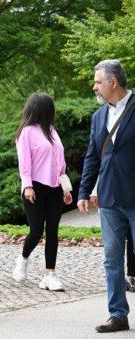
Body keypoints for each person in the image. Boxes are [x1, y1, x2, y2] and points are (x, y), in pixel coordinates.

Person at [78, 59, 135, 333]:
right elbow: (92, 156)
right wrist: (85, 191)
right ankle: (118, 315)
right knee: (111, 259)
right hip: (109, 199)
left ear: (113, 82)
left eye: (98, 82)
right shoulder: (99, 116)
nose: (95, 87)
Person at [11, 93, 73, 291]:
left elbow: (60, 162)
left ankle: (50, 274)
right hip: (35, 187)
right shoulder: (26, 132)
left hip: (55, 187)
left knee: (53, 230)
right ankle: (23, 259)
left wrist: (66, 188)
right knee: (36, 230)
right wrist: (27, 185)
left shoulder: (53, 131)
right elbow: (25, 161)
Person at [90, 184, 135, 293]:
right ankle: (122, 279)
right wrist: (94, 192)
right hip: (111, 196)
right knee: (113, 247)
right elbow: (98, 168)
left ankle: (132, 275)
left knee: (131, 238)